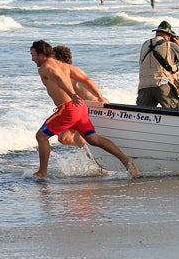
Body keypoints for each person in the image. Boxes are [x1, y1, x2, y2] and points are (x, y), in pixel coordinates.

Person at [29, 40, 136, 179]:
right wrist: (100, 96)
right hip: (81, 108)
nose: (32, 59)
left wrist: (72, 95)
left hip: (68, 109)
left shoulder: (45, 68)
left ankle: (42, 173)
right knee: (94, 139)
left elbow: (59, 78)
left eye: (33, 55)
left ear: (42, 54)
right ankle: (125, 159)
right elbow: (86, 79)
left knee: (41, 136)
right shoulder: (64, 66)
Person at [50, 45, 108, 147]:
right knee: (63, 138)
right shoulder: (61, 74)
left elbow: (88, 81)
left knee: (80, 137)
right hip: (79, 109)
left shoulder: (72, 71)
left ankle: (91, 155)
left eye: (54, 60)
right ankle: (89, 153)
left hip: (93, 106)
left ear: (62, 59)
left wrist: (100, 97)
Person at [137, 20, 179, 108]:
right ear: (169, 35)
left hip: (144, 85)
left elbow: (141, 64)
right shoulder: (171, 45)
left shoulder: (145, 44)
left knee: (144, 114)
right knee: (174, 114)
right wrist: (178, 44)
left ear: (157, 33)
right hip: (162, 84)